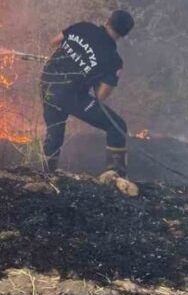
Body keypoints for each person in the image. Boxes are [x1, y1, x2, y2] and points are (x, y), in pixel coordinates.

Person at [40, 9, 134, 176]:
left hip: (47, 82)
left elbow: (54, 41)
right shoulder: (114, 60)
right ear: (124, 35)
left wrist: (72, 56)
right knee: (117, 126)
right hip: (69, 95)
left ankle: (46, 175)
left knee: (55, 132)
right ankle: (116, 177)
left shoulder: (83, 27)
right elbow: (100, 96)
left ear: (108, 21)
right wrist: (107, 78)